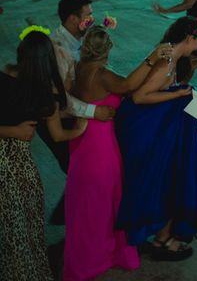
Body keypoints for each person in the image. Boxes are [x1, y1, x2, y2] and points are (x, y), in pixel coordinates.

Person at [116, 17, 197, 260]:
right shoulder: (166, 62)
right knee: (164, 183)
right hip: (148, 133)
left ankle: (162, 235)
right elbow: (139, 97)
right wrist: (179, 94)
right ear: (190, 37)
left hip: (161, 131)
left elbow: (175, 83)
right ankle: (162, 239)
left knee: (167, 182)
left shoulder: (175, 59)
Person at [65, 26, 156, 280]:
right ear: (108, 49)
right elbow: (128, 85)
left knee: (84, 204)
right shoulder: (104, 76)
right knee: (103, 203)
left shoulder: (78, 68)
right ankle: (98, 257)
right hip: (101, 147)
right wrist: (153, 57)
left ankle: (84, 255)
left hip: (80, 143)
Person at [0, 27, 75, 281]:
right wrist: (15, 131)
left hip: (17, 167)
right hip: (13, 167)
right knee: (20, 226)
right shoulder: (42, 95)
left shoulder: (7, 79)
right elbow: (57, 132)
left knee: (21, 224)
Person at [39, 0, 117, 225]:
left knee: (80, 169)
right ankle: (75, 218)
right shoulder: (58, 47)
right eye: (88, 15)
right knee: (77, 169)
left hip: (70, 113)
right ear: (73, 19)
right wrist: (95, 112)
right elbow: (62, 97)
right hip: (55, 117)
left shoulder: (76, 40)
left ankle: (69, 214)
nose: (91, 19)